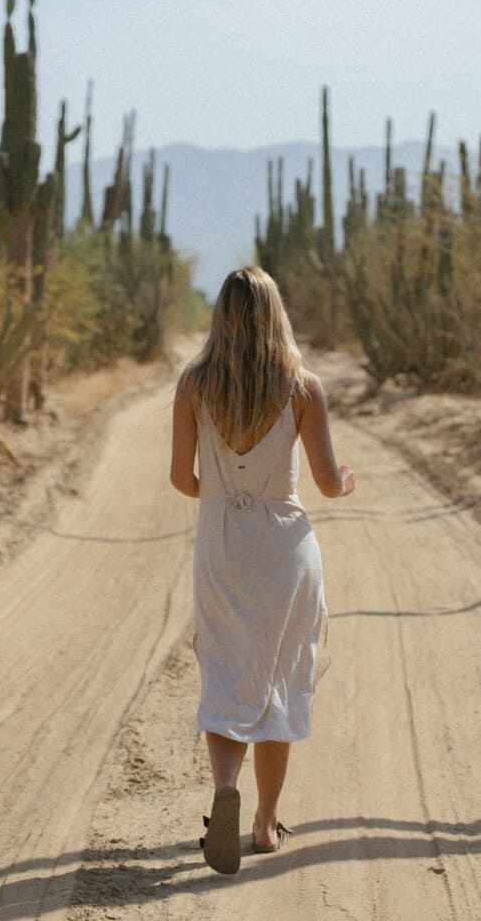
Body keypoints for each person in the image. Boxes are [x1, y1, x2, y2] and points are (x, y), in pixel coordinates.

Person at [170, 265, 355, 875]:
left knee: (226, 667)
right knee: (280, 673)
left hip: (222, 544)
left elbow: (181, 479)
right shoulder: (303, 387)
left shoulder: (194, 385)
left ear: (221, 317)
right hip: (286, 546)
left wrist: (226, 499)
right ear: (276, 315)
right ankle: (266, 823)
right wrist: (346, 480)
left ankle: (227, 786)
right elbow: (328, 484)